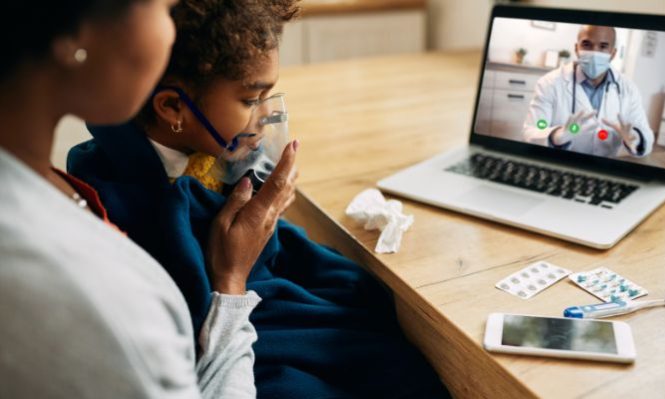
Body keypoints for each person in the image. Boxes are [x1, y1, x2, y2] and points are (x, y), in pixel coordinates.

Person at [66, 0, 451, 398]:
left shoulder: (211, 145)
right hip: (229, 339)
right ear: (173, 107)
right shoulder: (121, 197)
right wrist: (233, 268)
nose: (265, 115)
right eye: (250, 101)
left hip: (266, 303)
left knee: (370, 313)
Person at [0, 0, 300, 397]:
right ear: (75, 32)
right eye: (162, 5)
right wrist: (230, 283)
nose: (173, 27)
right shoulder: (94, 297)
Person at [523, 25, 654, 158]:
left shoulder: (628, 88)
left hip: (605, 168)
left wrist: (636, 138)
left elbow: (646, 135)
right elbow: (531, 131)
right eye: (587, 44)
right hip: (561, 163)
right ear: (576, 48)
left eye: (603, 46)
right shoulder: (549, 83)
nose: (594, 52)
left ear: (613, 53)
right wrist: (557, 136)